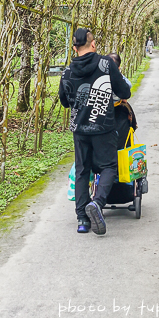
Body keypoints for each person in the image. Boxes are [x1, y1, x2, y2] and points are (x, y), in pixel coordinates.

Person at [59, 27, 131, 235]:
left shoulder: (67, 71)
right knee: (109, 166)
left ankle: (82, 219)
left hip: (79, 129)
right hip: (104, 127)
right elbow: (124, 91)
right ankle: (97, 204)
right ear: (93, 44)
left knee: (83, 170)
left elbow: (65, 101)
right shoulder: (106, 64)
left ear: (74, 48)